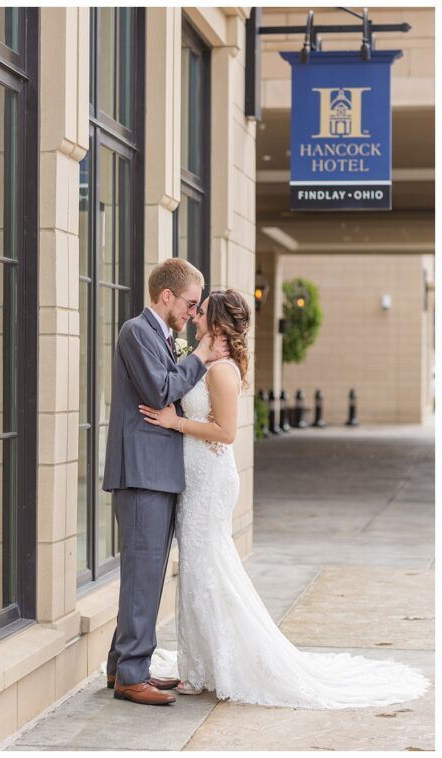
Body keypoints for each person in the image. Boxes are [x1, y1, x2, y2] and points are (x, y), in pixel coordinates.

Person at [139, 289, 429, 708]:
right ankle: (199, 664)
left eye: (202, 311)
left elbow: (225, 433)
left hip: (209, 483)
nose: (195, 315)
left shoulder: (221, 371)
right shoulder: (206, 362)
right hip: (196, 480)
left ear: (217, 321)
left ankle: (217, 665)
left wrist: (176, 421)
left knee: (207, 570)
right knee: (202, 572)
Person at [101, 258, 229, 706]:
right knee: (142, 576)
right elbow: (159, 389)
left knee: (147, 575)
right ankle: (131, 676)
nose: (193, 314)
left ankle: (124, 666)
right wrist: (198, 357)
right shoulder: (137, 331)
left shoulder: (158, 334)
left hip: (155, 472)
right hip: (141, 473)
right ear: (166, 296)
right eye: (191, 304)